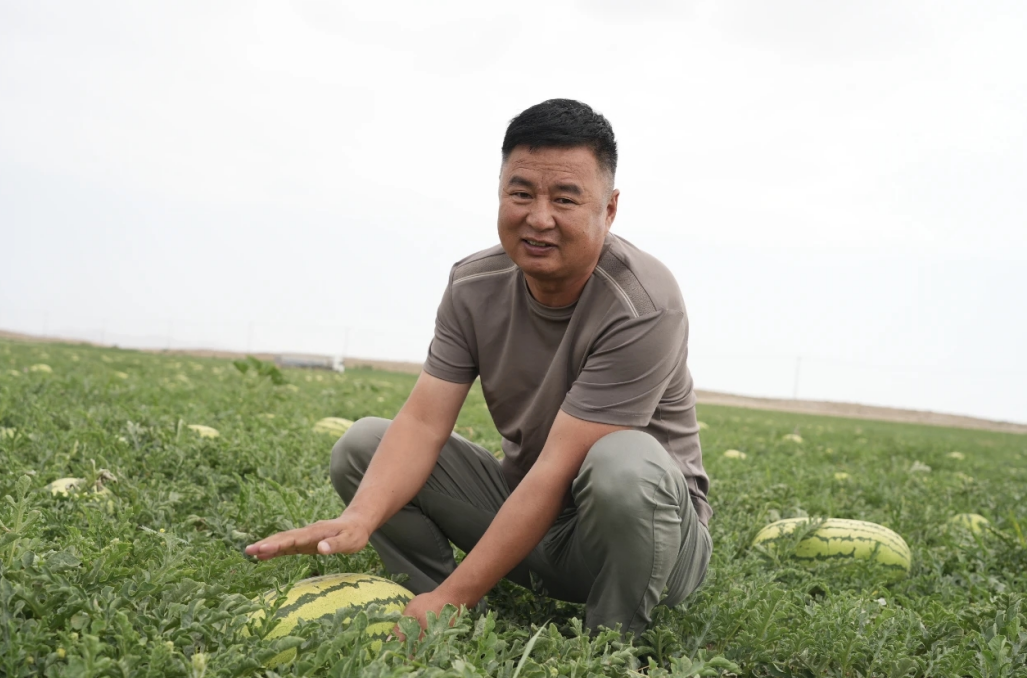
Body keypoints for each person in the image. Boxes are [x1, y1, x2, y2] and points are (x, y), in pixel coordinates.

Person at [246, 99, 712, 637]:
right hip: (536, 519)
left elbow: (559, 468)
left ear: (608, 210)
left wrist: (457, 594)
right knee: (365, 445)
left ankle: (610, 642)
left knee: (623, 463)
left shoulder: (643, 302)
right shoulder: (473, 286)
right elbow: (423, 423)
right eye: (521, 194)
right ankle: (438, 613)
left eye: (565, 199)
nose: (539, 218)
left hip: (649, 542)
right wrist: (360, 517)